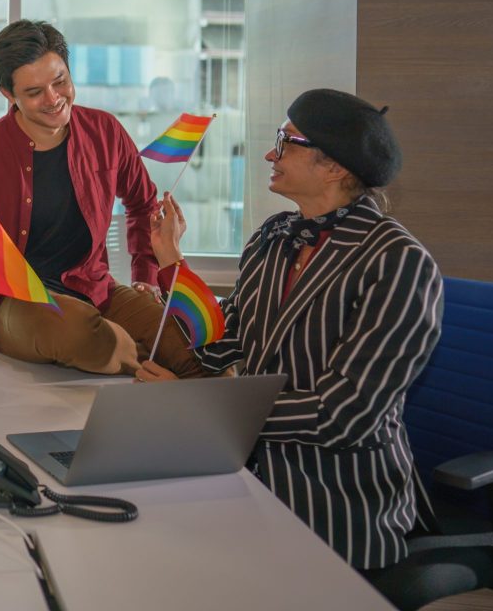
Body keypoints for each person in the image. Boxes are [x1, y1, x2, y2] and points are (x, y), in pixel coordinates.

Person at [136, 90, 442, 581]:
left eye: (287, 142)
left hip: (335, 499)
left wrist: (198, 407)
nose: (269, 154)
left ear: (335, 167)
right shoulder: (275, 236)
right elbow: (225, 344)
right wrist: (170, 259)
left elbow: (347, 414)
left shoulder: (397, 262)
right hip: (244, 474)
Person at [0, 19, 202, 376]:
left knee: (189, 339)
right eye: (34, 92)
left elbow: (142, 205)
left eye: (60, 81)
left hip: (94, 288)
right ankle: (141, 357)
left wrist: (146, 276)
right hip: (12, 301)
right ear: (7, 94)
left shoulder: (105, 132)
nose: (54, 98)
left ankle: (163, 367)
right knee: (77, 329)